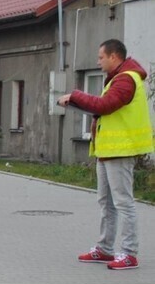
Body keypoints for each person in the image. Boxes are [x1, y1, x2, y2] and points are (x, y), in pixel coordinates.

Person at [57, 39, 154, 270]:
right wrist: (76, 102)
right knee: (106, 203)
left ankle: (129, 253)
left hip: (121, 150)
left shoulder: (126, 79)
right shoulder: (118, 78)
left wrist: (75, 95)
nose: (98, 61)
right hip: (107, 151)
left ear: (114, 56)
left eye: (101, 57)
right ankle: (105, 249)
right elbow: (103, 109)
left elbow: (105, 106)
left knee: (123, 202)